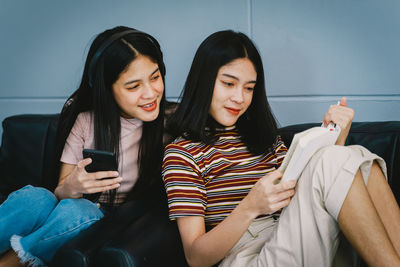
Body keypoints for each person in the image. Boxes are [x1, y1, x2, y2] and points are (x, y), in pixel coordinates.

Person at [162, 30, 400, 267]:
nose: (239, 97)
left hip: (290, 235)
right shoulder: (182, 153)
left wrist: (334, 138)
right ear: (203, 81)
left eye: (249, 88)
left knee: (356, 154)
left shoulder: (266, 139)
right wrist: (250, 207)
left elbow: (311, 196)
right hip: (245, 256)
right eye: (228, 83)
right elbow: (195, 257)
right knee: (333, 159)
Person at [0, 25, 167, 267]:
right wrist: (73, 185)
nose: (150, 94)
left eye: (155, 77)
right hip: (71, 206)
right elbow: (60, 194)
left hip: (105, 220)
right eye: (133, 86)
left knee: (78, 211)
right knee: (37, 198)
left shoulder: (171, 122)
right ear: (106, 89)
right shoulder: (85, 120)